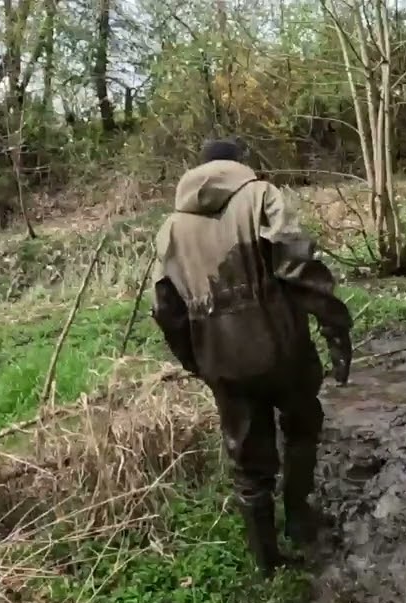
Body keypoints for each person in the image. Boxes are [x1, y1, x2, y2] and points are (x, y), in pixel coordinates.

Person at [149, 138, 354, 577]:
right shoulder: (262, 196)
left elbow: (166, 309)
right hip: (283, 349)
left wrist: (197, 361)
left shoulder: (170, 228)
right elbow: (298, 268)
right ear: (239, 163)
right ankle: (300, 520)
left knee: (248, 458)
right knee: (301, 427)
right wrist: (336, 327)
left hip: (222, 361)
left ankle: (267, 561)